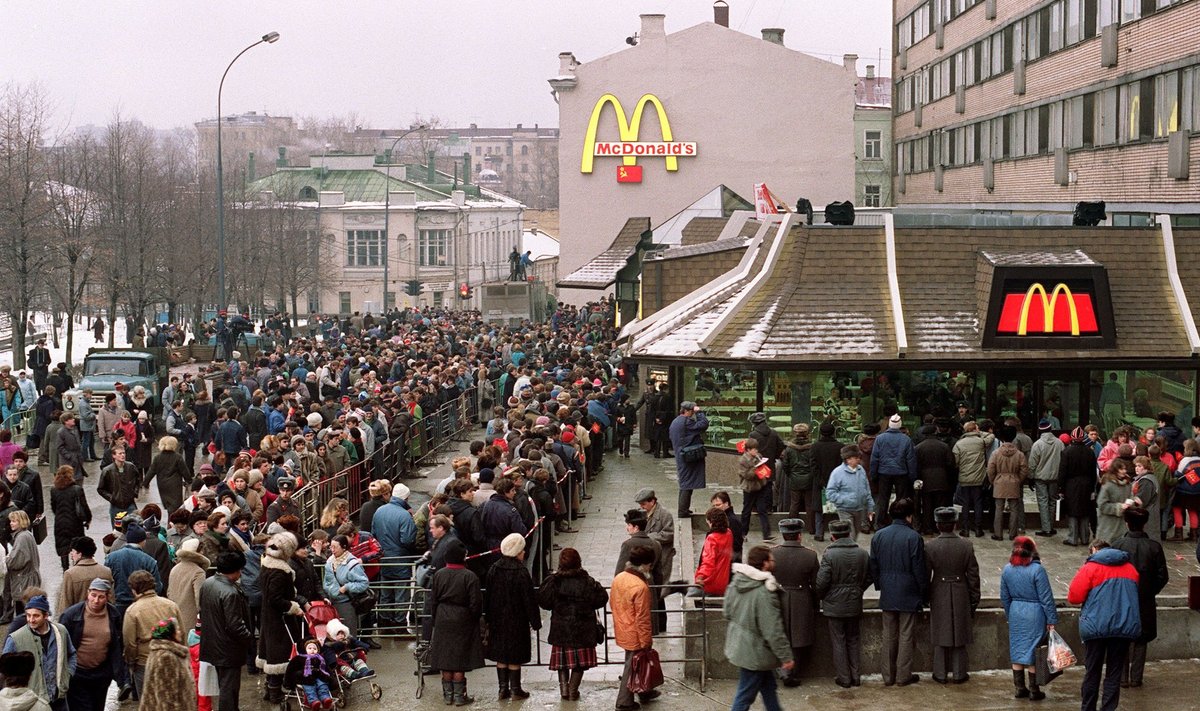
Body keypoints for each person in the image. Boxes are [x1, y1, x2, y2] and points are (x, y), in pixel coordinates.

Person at [1067, 539, 1141, 711]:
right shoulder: (1130, 569)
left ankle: (1088, 708)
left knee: (1092, 672)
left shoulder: (1090, 568)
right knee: (1114, 674)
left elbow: (1074, 597)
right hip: (1123, 628)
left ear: (1094, 549)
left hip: (1095, 628)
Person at [723, 544, 793, 711]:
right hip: (756, 652)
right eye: (772, 559)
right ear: (765, 564)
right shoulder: (764, 592)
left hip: (742, 646)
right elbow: (772, 629)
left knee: (769, 689)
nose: (774, 562)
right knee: (744, 697)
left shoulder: (736, 582)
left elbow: (727, 612)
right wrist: (786, 656)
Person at [537, 547, 609, 701]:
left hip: (561, 629)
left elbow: (544, 601)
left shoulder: (554, 581)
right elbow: (602, 598)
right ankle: (572, 690)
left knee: (562, 662)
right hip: (582, 630)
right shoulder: (587, 581)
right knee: (579, 664)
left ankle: (564, 689)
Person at [868, 497, 926, 687]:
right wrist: (923, 592)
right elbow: (919, 569)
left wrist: (880, 585)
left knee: (888, 634)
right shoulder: (914, 537)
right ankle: (903, 675)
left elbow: (873, 566)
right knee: (906, 634)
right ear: (909, 516)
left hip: (888, 589)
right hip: (908, 591)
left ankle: (888, 676)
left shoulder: (878, 536)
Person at [1110, 507, 1168, 688]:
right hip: (1145, 599)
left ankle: (1122, 677)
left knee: (1122, 638)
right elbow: (1162, 576)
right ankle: (1136, 677)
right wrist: (1149, 591)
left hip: (1122, 600)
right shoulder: (1154, 547)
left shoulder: (1118, 545)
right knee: (1141, 640)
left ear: (1127, 523)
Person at [923, 507, 981, 684]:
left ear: (938, 524)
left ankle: (939, 673)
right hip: (960, 590)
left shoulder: (930, 546)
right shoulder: (966, 545)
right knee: (960, 633)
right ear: (955, 524)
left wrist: (925, 597)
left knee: (940, 633)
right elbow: (973, 576)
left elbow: (925, 575)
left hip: (938, 589)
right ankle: (959, 673)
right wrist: (974, 598)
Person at [814, 518, 872, 688]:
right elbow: (870, 576)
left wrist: (826, 595)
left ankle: (844, 678)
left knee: (838, 641)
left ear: (832, 536)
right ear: (848, 533)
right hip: (854, 603)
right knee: (853, 639)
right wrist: (858, 590)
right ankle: (855, 676)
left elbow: (821, 583)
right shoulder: (862, 553)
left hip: (834, 605)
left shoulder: (829, 554)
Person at [484, 533, 541, 700]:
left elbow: (487, 596)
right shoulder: (521, 572)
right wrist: (535, 621)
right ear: (517, 552)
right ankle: (516, 689)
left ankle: (503, 689)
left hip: (497, 619)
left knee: (501, 655)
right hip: (517, 620)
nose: (524, 553)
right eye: (522, 550)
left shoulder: (494, 569)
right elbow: (528, 599)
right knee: (515, 655)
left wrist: (487, 617)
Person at [428, 539, 484, 706]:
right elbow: (476, 604)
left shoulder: (438, 575)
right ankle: (460, 696)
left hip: (443, 618)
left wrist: (435, 619)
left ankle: (448, 696)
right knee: (459, 660)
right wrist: (475, 619)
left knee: (446, 659)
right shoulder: (470, 577)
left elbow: (433, 600)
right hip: (462, 619)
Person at [1000, 536, 1056, 700]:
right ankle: (1034, 690)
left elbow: (1004, 596)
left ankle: (1019, 688)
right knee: (1034, 652)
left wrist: (1010, 614)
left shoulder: (1007, 569)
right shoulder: (1037, 570)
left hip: (1016, 612)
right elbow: (1046, 598)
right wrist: (1052, 619)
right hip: (1035, 613)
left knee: (1017, 650)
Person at [199, 551, 254, 711]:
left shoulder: (208, 583)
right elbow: (235, 625)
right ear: (236, 570)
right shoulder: (230, 592)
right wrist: (248, 639)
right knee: (229, 689)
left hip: (213, 643)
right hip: (228, 648)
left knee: (225, 685)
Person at [2, 595, 75, 711]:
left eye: (36, 615)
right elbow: (5, 669)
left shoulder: (61, 631)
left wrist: (67, 675)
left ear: (46, 616)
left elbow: (71, 654)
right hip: (32, 703)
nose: (31, 620)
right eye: (28, 615)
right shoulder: (15, 638)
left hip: (59, 699)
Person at [60, 578, 123, 711]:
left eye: (101, 597)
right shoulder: (71, 615)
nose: (96, 600)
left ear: (107, 597)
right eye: (93, 595)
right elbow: (61, 644)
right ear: (88, 594)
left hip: (101, 674)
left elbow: (117, 645)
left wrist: (114, 673)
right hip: (77, 673)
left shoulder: (113, 615)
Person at [771, 518, 818, 686]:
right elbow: (816, 584)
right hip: (802, 599)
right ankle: (792, 671)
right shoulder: (810, 555)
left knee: (781, 635)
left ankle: (783, 670)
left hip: (779, 598)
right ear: (799, 535)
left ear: (783, 535)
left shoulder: (772, 553)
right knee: (799, 639)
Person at [122, 570, 181, 697]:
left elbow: (130, 643)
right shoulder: (171, 605)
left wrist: (131, 662)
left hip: (145, 662)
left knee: (148, 701)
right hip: (171, 658)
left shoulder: (132, 611)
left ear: (134, 589)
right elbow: (181, 632)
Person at [611, 545, 655, 711]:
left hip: (622, 627)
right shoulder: (640, 587)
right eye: (650, 564)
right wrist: (646, 641)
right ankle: (624, 702)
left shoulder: (619, 578)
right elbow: (642, 618)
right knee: (632, 666)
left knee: (632, 663)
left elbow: (613, 603)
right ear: (644, 565)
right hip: (635, 632)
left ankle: (645, 691)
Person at [139, 618, 196, 711]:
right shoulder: (166, 657)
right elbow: (166, 698)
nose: (180, 632)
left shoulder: (162, 652)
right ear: (170, 634)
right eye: (177, 629)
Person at [871, 414, 917, 527]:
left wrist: (873, 474)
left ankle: (879, 523)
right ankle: (901, 522)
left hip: (884, 472)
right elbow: (910, 460)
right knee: (901, 500)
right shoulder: (906, 440)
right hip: (901, 473)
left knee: (883, 500)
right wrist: (913, 477)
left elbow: (874, 458)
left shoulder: (880, 439)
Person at [825, 445, 875, 541]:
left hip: (860, 509)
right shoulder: (837, 473)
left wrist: (870, 506)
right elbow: (830, 493)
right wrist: (845, 500)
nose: (859, 460)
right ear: (848, 459)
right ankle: (849, 552)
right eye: (856, 458)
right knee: (850, 534)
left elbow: (866, 489)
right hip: (844, 509)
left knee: (856, 533)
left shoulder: (861, 470)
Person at [952, 421, 994, 538]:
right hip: (978, 478)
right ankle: (978, 529)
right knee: (978, 502)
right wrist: (978, 432)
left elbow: (956, 462)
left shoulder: (959, 444)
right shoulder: (981, 442)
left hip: (964, 477)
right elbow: (991, 436)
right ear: (975, 429)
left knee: (965, 504)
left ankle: (965, 529)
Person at [988, 425, 1030, 541]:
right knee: (1014, 509)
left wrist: (994, 481)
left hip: (999, 480)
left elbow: (990, 469)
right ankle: (1012, 533)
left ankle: (998, 533)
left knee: (998, 508)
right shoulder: (1019, 454)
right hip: (1014, 480)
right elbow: (1024, 470)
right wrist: (1018, 479)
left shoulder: (996, 453)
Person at [1059, 426, 1099, 546]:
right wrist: (1093, 487)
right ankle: (1085, 537)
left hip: (1071, 485)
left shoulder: (1067, 452)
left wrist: (1060, 487)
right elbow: (1093, 472)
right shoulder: (1090, 452)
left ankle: (1073, 537)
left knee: (1072, 511)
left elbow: (1063, 471)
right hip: (1087, 484)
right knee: (1085, 510)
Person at [323, 534, 369, 637]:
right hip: (331, 602)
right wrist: (326, 590)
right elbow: (326, 580)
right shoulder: (330, 562)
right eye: (331, 547)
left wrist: (347, 587)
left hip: (346, 603)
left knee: (348, 633)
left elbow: (364, 583)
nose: (332, 550)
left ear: (344, 547)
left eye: (335, 547)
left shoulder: (352, 564)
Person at [669, 401, 708, 519]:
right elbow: (703, 425)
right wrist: (700, 412)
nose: (693, 414)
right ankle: (682, 511)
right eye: (692, 411)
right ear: (688, 411)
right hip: (687, 458)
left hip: (681, 455)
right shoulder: (686, 422)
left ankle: (684, 509)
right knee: (686, 484)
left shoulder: (676, 421)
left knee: (686, 483)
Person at [49, 466, 91, 572]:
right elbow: (84, 506)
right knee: (77, 545)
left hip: (60, 523)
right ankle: (78, 567)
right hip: (75, 522)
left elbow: (54, 507)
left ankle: (65, 569)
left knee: (63, 546)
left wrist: (59, 515)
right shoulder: (77, 489)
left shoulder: (54, 490)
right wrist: (88, 518)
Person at [1028, 419, 1064, 536]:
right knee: (1052, 501)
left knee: (1043, 502)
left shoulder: (1037, 444)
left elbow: (1032, 463)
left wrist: (1030, 477)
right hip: (1055, 476)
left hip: (1041, 477)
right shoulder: (1059, 443)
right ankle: (1051, 526)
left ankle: (1046, 528)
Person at [57, 537, 111, 612]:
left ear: (80, 554)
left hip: (78, 619)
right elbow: (112, 601)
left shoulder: (70, 574)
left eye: (73, 551)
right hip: (102, 618)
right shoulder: (106, 571)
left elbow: (66, 604)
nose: (71, 554)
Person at [167, 538, 209, 635]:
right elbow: (200, 599)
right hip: (191, 618)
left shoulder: (175, 569)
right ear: (197, 552)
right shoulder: (198, 572)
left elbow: (169, 593)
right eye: (201, 550)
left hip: (174, 615)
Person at [6, 511, 41, 618]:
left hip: (24, 582)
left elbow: (16, 561)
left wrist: (7, 559)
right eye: (11, 521)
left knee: (23, 615)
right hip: (30, 579)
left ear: (21, 522)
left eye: (14, 521)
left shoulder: (21, 538)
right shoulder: (27, 535)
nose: (11, 523)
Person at [144, 436, 190, 515]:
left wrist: (145, 483)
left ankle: (170, 523)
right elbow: (185, 471)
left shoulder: (157, 457)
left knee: (168, 506)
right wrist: (188, 480)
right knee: (175, 509)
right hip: (175, 485)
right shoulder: (177, 457)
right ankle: (172, 525)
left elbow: (151, 472)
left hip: (162, 485)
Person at [693, 508, 733, 597]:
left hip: (710, 583)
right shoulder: (729, 534)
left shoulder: (712, 538)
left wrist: (700, 577)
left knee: (689, 599)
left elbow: (708, 561)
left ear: (711, 522)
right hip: (723, 581)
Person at [737, 438, 772, 538]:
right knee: (747, 510)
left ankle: (766, 534)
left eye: (756, 449)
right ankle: (743, 532)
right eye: (754, 449)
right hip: (749, 488)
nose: (756, 451)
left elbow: (762, 468)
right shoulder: (743, 460)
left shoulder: (758, 456)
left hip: (760, 486)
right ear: (748, 450)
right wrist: (756, 469)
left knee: (762, 510)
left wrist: (763, 469)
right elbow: (746, 475)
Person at [286, 639, 334, 710]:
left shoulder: (321, 659)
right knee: (309, 687)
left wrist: (332, 679)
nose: (312, 650)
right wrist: (289, 682)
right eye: (310, 648)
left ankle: (325, 699)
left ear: (318, 650)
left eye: (315, 648)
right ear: (305, 649)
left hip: (319, 676)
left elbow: (327, 669)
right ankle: (314, 701)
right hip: (306, 677)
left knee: (322, 685)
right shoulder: (300, 658)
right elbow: (290, 669)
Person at [97, 445, 140, 522]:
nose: (123, 455)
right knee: (117, 530)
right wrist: (111, 498)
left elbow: (138, 480)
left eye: (123, 453)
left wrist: (134, 493)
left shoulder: (131, 467)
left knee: (134, 526)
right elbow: (100, 489)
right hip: (116, 506)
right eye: (119, 453)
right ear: (113, 455)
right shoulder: (107, 471)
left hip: (130, 504)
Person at [1096, 460, 1133, 543]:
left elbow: (1131, 496)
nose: (1124, 471)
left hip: (1123, 524)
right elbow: (1101, 505)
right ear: (1115, 470)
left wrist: (1133, 502)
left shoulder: (1128, 484)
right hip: (1108, 525)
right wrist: (1119, 507)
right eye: (1121, 469)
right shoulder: (1108, 485)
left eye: (1125, 469)